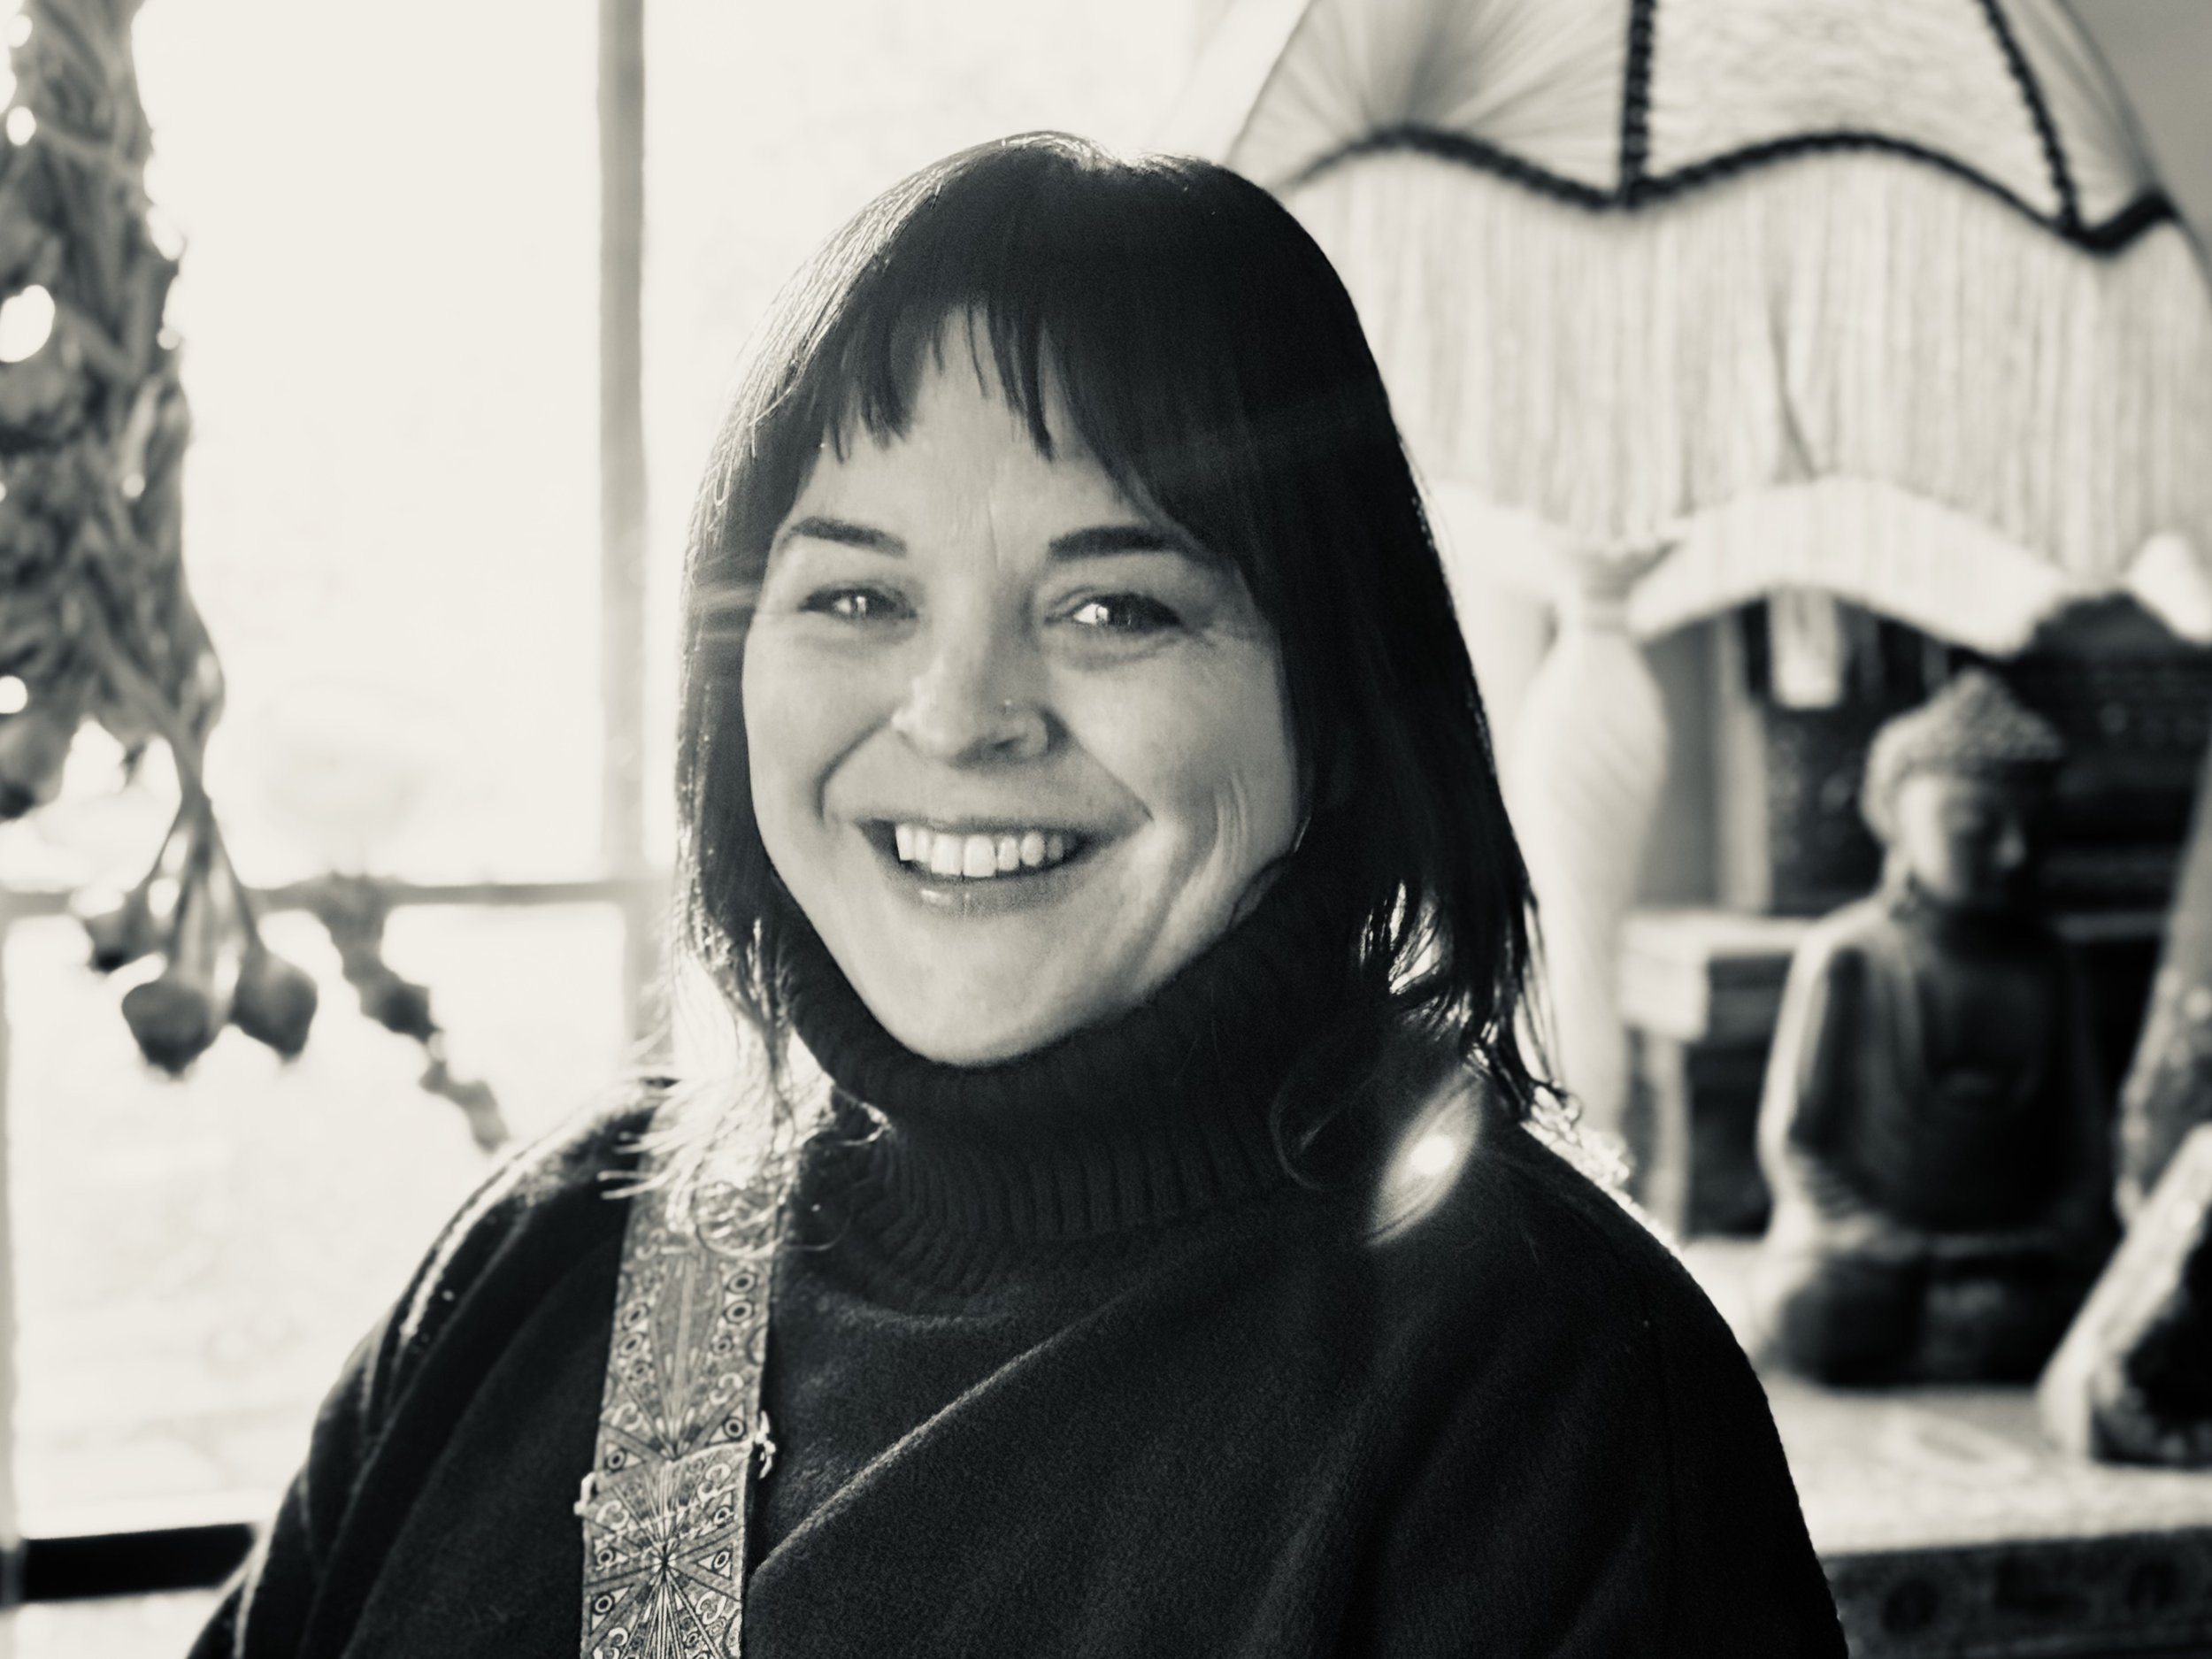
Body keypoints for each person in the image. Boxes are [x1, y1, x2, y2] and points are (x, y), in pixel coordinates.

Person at [190, 134, 1843, 1658]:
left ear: (1341, 705)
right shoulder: (553, 1262)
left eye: (1115, 608)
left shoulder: (1550, 1405)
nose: (961, 712)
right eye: (855, 593)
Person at [1748, 669, 2116, 1385]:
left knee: (2087, 1306)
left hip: (2014, 1252)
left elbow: (2085, 1142)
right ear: (1896, 821)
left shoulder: (2052, 962)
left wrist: (2060, 1227)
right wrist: (1866, 1232)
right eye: (1977, 829)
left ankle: (1962, 1323)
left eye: (2031, 831)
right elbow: (1793, 1141)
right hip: (1870, 1257)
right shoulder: (1851, 954)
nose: (2013, 852)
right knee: (1816, 1307)